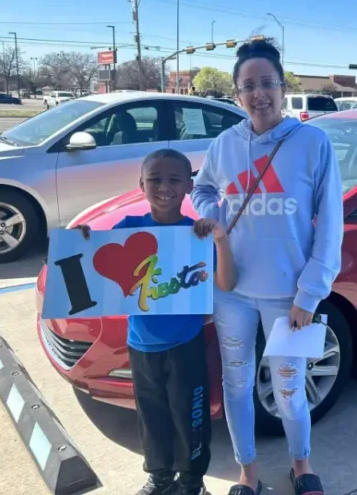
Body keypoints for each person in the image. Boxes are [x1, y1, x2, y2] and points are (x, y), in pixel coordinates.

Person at [191, 38, 343, 495]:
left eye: (267, 84)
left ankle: (301, 465)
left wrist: (309, 295)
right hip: (231, 291)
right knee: (236, 385)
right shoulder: (224, 144)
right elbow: (201, 191)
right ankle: (247, 473)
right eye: (248, 86)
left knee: (289, 390)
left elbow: (331, 224)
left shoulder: (312, 142)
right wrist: (212, 220)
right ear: (237, 94)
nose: (259, 94)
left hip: (288, 297)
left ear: (282, 86)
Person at [78, 148, 237, 495]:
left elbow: (225, 283)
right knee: (151, 416)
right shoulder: (128, 228)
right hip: (141, 344)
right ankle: (160, 477)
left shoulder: (195, 235)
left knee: (190, 416)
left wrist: (220, 242)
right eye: (155, 179)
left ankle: (193, 480)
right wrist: (81, 246)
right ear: (141, 184)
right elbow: (95, 274)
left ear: (187, 186)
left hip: (185, 345)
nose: (164, 187)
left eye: (173, 179)